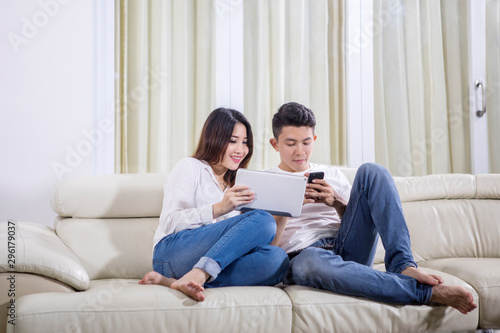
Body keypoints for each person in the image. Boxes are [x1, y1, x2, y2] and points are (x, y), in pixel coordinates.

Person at [267, 102, 477, 314]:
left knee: (372, 171)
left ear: (314, 139)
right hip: (303, 257)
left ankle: (403, 265)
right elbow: (267, 248)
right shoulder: (265, 181)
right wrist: (287, 206)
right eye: (291, 144)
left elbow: (359, 220)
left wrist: (336, 202)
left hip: (345, 247)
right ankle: (426, 293)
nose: (300, 152)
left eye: (306, 142)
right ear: (275, 144)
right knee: (311, 261)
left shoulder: (331, 174)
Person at [139, 107, 289, 302]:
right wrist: (219, 208)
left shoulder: (238, 183)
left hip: (207, 262)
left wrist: (285, 210)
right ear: (213, 138)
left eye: (245, 143)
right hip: (170, 253)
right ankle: (199, 274)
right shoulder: (190, 167)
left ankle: (179, 281)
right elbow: (170, 222)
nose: (240, 150)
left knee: (277, 259)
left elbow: (250, 244)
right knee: (263, 219)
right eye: (232, 141)